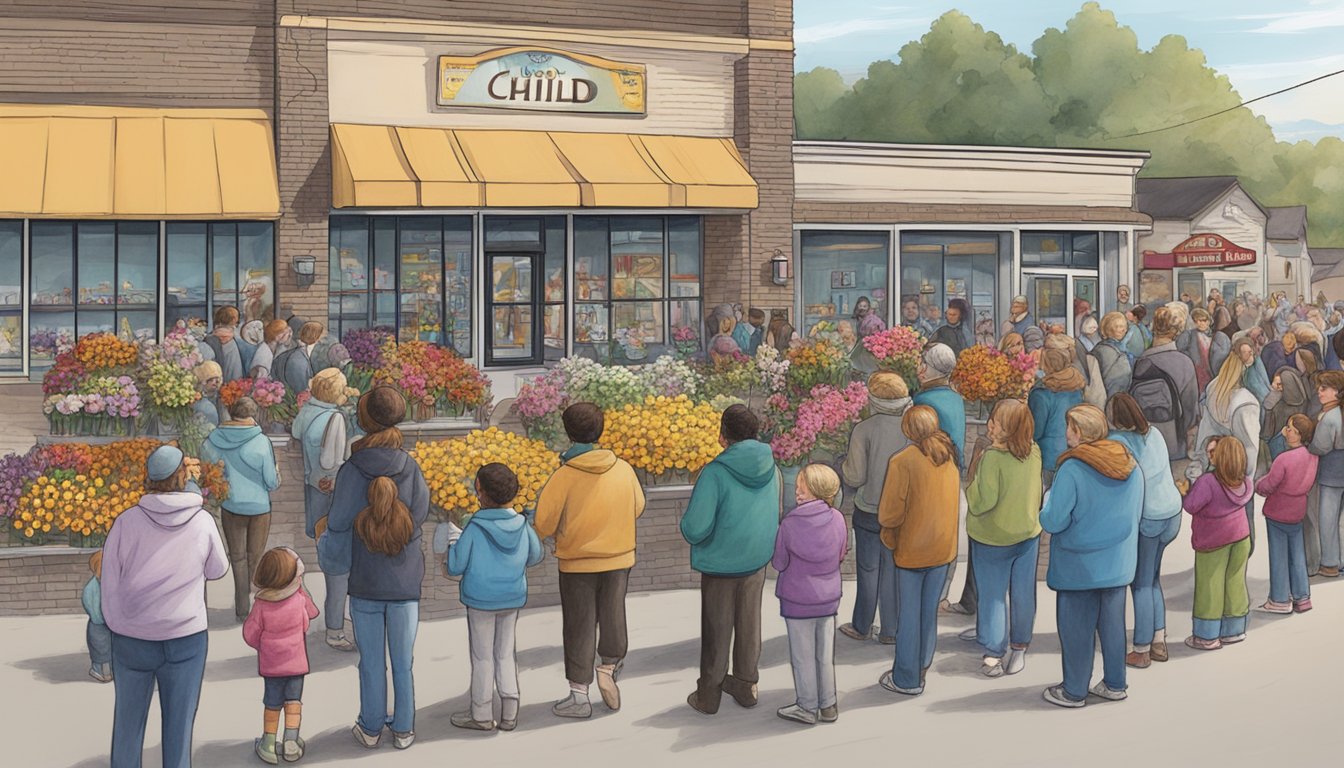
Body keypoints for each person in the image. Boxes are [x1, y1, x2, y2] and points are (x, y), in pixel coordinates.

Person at [103, 445, 228, 767]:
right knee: (179, 726)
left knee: (127, 725)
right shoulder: (202, 521)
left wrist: (116, 623)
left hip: (132, 636)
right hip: (186, 634)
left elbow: (110, 580)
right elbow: (218, 570)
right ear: (182, 476)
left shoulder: (126, 522)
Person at [318, 386, 429, 750]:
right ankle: (404, 728)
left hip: (365, 580)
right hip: (405, 579)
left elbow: (337, 522)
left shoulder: (352, 470)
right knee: (403, 661)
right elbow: (420, 515)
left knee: (370, 661)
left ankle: (369, 727)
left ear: (363, 422)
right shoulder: (410, 466)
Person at [533, 403, 646, 718]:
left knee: (579, 625)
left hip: (577, 561)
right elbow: (638, 505)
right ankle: (608, 667)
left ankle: (579, 696)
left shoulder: (564, 476)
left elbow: (542, 524)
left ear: (568, 433)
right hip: (619, 556)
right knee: (613, 614)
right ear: (601, 431)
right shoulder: (623, 468)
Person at [1039, 405, 1142, 708]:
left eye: (1070, 427)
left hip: (1078, 565)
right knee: (1113, 626)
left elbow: (1053, 521)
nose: (1066, 432)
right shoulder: (1129, 464)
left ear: (1081, 432)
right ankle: (1114, 683)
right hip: (1117, 561)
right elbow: (1135, 512)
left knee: (1076, 631)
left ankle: (1073, 690)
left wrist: (1047, 501)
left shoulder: (1072, 468)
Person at [681, 405, 781, 715]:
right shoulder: (772, 468)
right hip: (756, 559)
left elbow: (695, 529)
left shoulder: (714, 472)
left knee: (717, 629)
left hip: (720, 562)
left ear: (723, 436)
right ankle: (746, 685)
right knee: (750, 623)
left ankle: (709, 695)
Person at [445, 463, 545, 732]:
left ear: (480, 491)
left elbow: (454, 566)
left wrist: (454, 540)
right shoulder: (522, 525)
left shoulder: (475, 528)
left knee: (482, 656)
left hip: (480, 599)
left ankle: (481, 713)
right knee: (505, 653)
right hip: (512, 596)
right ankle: (510, 712)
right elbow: (536, 556)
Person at [875, 405, 959, 696]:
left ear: (907, 429)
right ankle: (922, 664)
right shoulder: (948, 459)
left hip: (911, 549)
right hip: (942, 549)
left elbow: (888, 515)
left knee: (909, 613)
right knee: (927, 612)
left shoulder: (902, 461)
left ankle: (907, 678)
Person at [965, 400, 1042, 678]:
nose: (990, 426)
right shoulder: (1034, 451)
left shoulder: (991, 458)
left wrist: (971, 474)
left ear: (1006, 428)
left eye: (995, 422)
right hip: (1027, 533)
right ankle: (1019, 648)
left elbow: (980, 502)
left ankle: (993, 654)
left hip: (991, 537)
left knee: (993, 596)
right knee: (1023, 593)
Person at [1107, 394, 1183, 669]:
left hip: (1148, 517)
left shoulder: (1118, 442)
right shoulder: (1156, 434)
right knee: (1152, 578)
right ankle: (1158, 638)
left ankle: (1141, 648)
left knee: (1140, 582)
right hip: (1172, 511)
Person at [772, 464, 847, 725]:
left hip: (797, 599)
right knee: (825, 655)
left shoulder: (790, 523)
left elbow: (779, 563)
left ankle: (806, 706)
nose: (797, 490)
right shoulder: (837, 519)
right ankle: (828, 705)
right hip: (828, 598)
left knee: (803, 656)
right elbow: (840, 554)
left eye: (801, 485)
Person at [839, 372, 910, 644]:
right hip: (901, 511)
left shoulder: (863, 429)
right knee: (893, 568)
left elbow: (854, 477)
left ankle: (862, 625)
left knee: (868, 569)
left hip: (868, 509)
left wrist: (843, 466)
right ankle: (891, 630)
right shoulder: (910, 427)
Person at [292, 368, 357, 651]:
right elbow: (333, 459)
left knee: (323, 544)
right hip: (330, 488)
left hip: (311, 486)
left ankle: (337, 616)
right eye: (342, 389)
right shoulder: (335, 417)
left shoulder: (307, 410)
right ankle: (336, 627)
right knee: (338, 560)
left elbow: (295, 433)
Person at [202, 396, 281, 620]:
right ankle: (256, 607)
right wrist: (277, 472)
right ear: (252, 414)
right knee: (255, 557)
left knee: (237, 557)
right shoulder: (262, 441)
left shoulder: (213, 439)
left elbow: (207, 471)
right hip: (259, 506)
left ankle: (241, 608)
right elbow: (271, 482)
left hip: (230, 503)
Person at [242, 546, 320, 764]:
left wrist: (263, 646)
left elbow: (250, 633)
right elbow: (310, 617)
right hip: (297, 665)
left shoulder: (261, 603)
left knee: (272, 703)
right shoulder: (298, 600)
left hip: (271, 666)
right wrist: (302, 590)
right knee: (294, 702)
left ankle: (268, 742)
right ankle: (291, 742)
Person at [1183, 438, 1254, 650]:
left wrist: (1185, 490)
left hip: (1213, 540)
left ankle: (1207, 635)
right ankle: (1234, 629)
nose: (1209, 456)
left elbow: (1191, 505)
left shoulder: (1208, 482)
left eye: (1213, 453)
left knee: (1210, 585)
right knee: (1235, 581)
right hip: (1241, 536)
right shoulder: (1245, 482)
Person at [1192, 353, 1262, 552]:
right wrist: (1247, 479)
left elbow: (1205, 431)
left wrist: (1199, 462)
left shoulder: (1214, 388)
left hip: (1215, 464)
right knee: (1241, 523)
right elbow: (1250, 446)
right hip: (1236, 468)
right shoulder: (1245, 402)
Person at [1257, 414, 1318, 614]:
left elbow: (1268, 485)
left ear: (1298, 434)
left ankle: (1280, 599)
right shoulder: (1312, 457)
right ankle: (1302, 597)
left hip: (1278, 510)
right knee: (1297, 554)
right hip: (1297, 510)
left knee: (1279, 555)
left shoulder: (1283, 459)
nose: (1286, 429)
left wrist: (1258, 484)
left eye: (1290, 428)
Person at [1131, 306, 1200, 461]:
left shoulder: (1139, 362)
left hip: (1143, 443)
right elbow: (1190, 408)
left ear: (1154, 327)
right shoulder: (1184, 362)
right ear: (1177, 332)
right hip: (1174, 442)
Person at [1030, 347, 1086, 487]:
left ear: (1047, 365)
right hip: (1072, 452)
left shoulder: (1042, 393)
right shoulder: (1076, 388)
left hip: (1047, 457)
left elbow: (1035, 431)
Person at [1308, 371, 1344, 578]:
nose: (1319, 392)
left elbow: (1319, 447)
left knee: (1328, 518)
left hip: (1331, 472)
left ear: (1337, 392)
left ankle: (1330, 563)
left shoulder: (1330, 417)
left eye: (1324, 388)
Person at [913, 343, 966, 468]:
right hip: (954, 467)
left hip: (934, 466)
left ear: (927, 368)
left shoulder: (923, 399)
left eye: (922, 363)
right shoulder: (956, 398)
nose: (919, 368)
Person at [1264, 367, 1311, 460]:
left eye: (1281, 385)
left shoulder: (1279, 404)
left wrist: (1268, 409)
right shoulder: (1303, 400)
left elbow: (1268, 432)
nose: (1279, 388)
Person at [82, 550, 112, 684]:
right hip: (98, 624)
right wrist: (101, 617)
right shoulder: (92, 587)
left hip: (110, 623)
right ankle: (97, 669)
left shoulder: (110, 585)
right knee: (99, 648)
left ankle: (110, 670)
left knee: (110, 648)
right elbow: (91, 606)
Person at [1092, 312, 1133, 400]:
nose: (1122, 330)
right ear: (1108, 329)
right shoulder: (1118, 354)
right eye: (1117, 326)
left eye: (1123, 326)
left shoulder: (1098, 348)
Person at [1179, 308, 1219, 395]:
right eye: (1196, 321)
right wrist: (1192, 360)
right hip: (1195, 370)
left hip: (1210, 370)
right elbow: (1180, 351)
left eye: (1203, 320)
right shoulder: (1188, 335)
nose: (1200, 323)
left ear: (1208, 321)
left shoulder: (1213, 336)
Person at [278, 321, 324, 395]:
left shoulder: (304, 353)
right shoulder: (297, 359)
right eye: (320, 336)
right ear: (315, 336)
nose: (322, 340)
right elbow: (300, 389)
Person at [204, 306, 245, 383]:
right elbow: (236, 370)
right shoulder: (233, 340)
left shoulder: (211, 337)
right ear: (233, 320)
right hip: (229, 384)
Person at [192, 361, 223, 427]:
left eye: (217, 380)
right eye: (211, 380)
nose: (214, 383)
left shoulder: (220, 398)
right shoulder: (204, 406)